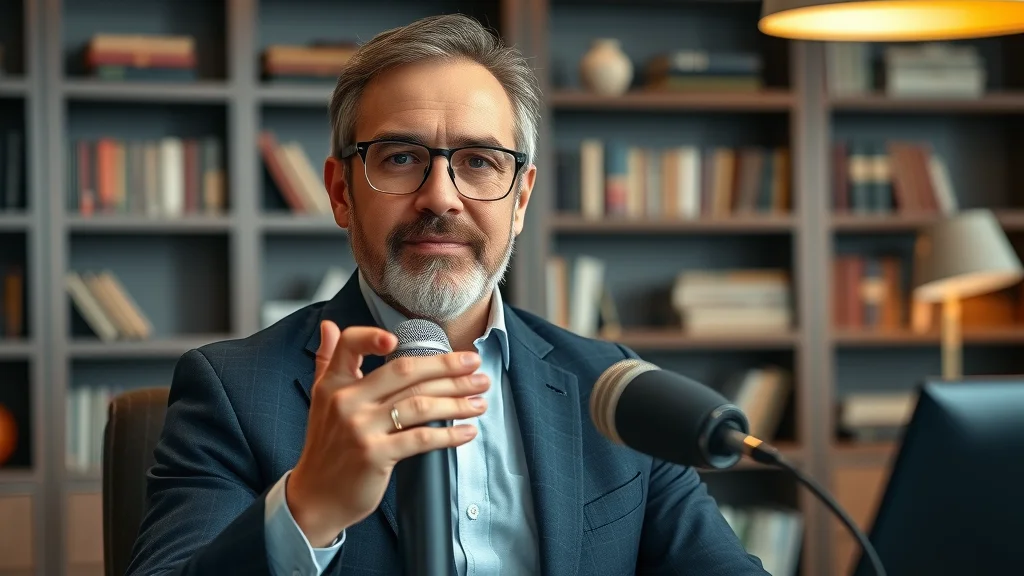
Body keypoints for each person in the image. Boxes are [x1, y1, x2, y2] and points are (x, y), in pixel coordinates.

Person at [126, 13, 767, 576]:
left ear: (520, 200)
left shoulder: (613, 391)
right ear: (342, 192)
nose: (440, 196)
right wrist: (306, 508)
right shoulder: (231, 390)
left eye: (481, 160)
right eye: (401, 157)